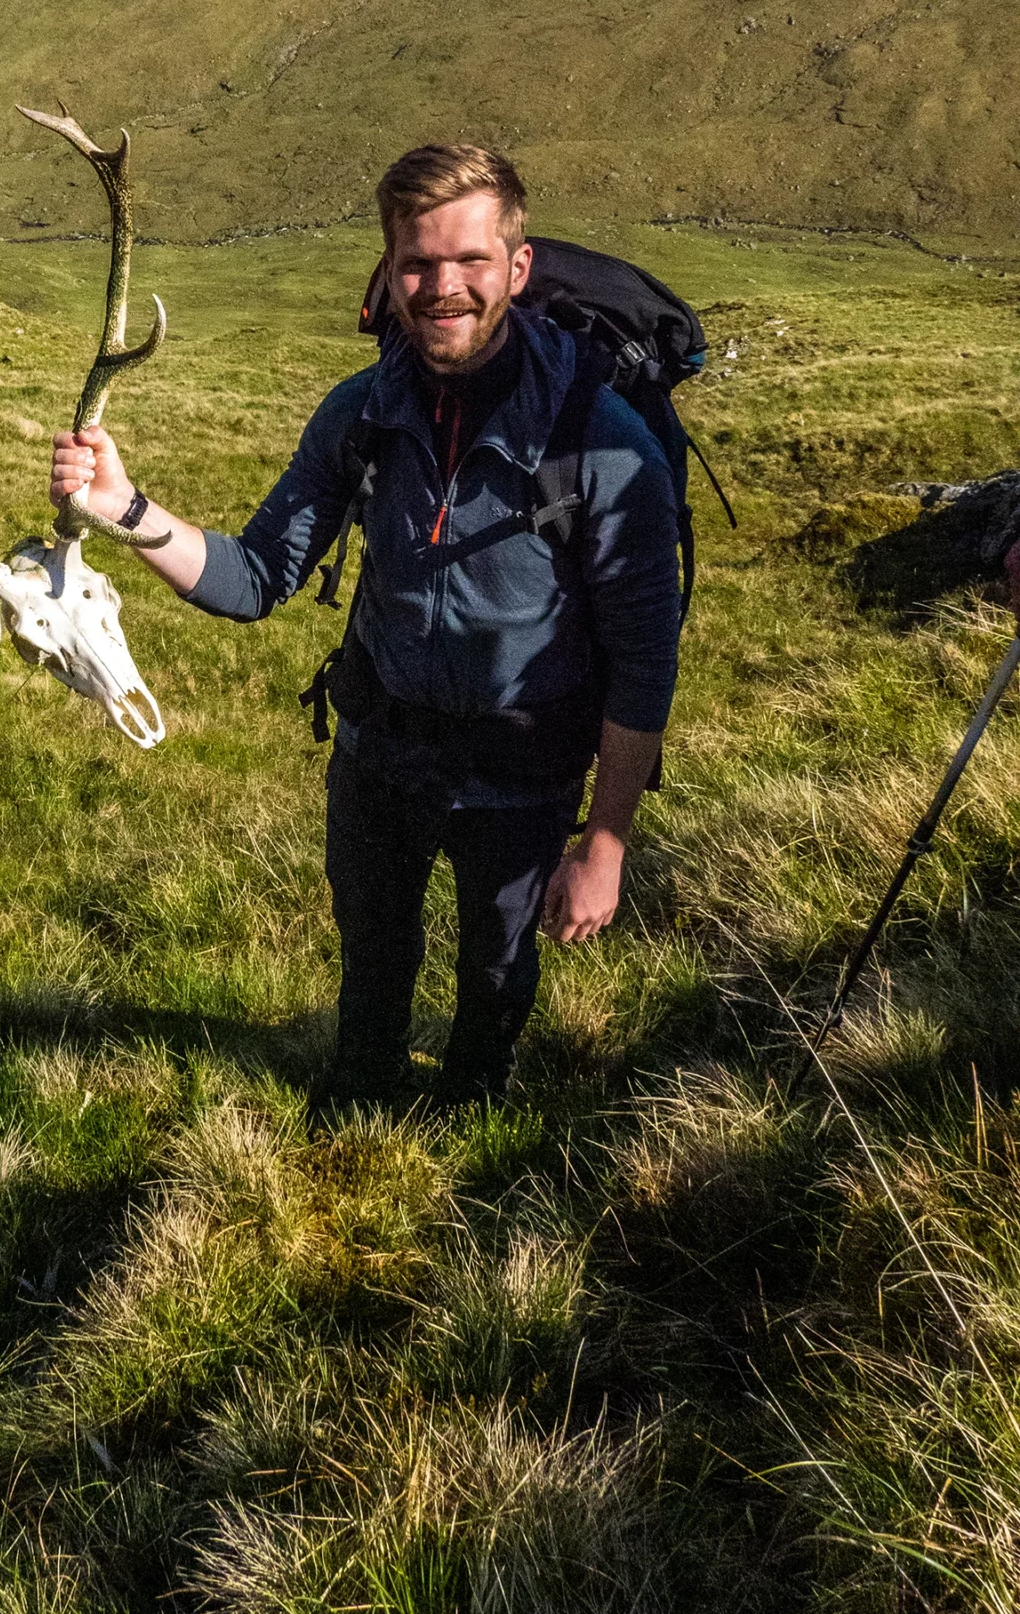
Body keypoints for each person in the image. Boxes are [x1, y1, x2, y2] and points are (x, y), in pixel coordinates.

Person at [50, 141, 684, 1120]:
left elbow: (645, 666)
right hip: (378, 758)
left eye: (470, 262)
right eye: (417, 263)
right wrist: (125, 506)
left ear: (516, 268)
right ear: (388, 272)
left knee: (497, 970)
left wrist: (603, 847)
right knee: (374, 954)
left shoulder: (601, 445)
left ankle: (473, 1105)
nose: (443, 288)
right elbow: (253, 578)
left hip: (523, 780)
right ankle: (357, 1098)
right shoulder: (360, 415)